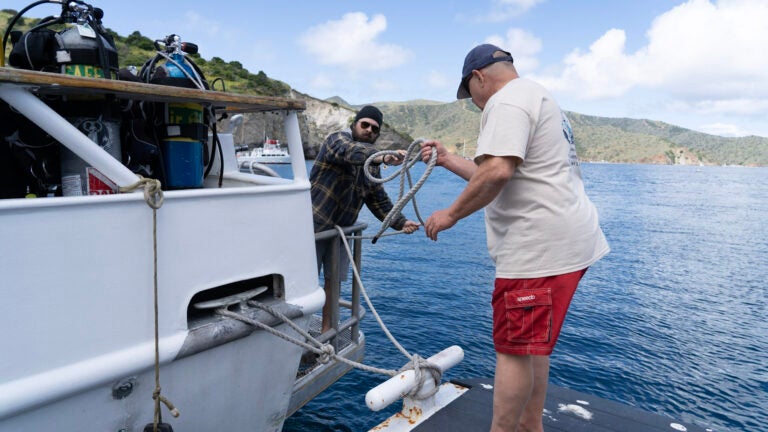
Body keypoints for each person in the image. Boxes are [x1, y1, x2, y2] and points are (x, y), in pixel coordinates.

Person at [420, 44, 609, 432]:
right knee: (531, 348)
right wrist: (445, 158)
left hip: (537, 249)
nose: (473, 103)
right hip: (570, 241)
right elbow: (495, 169)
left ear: (479, 78)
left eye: (469, 94)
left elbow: (497, 174)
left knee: (512, 350)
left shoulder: (505, 103)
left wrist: (450, 214)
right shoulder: (538, 96)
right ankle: (530, 426)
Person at [311, 105, 419, 331]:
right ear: (354, 125)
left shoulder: (373, 167)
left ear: (377, 134)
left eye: (374, 128)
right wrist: (385, 157)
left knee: (334, 285)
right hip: (312, 228)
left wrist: (401, 221)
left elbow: (378, 199)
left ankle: (326, 333)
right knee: (304, 283)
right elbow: (349, 151)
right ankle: (294, 334)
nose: (369, 130)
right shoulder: (336, 140)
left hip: (341, 233)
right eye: (365, 124)